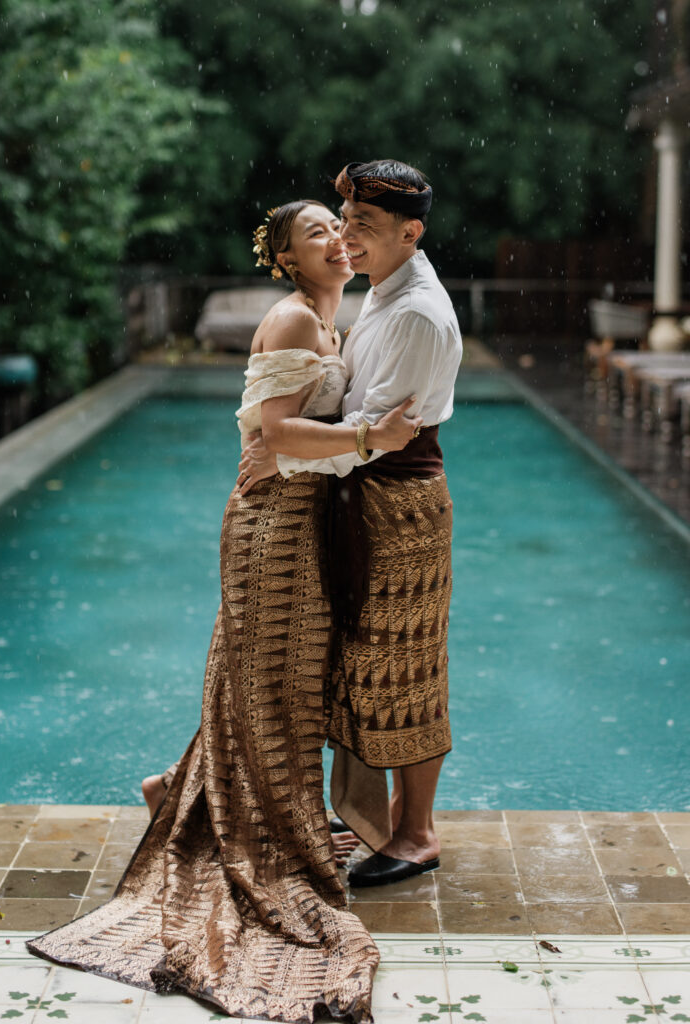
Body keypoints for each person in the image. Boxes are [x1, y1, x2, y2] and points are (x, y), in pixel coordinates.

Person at [27, 199, 421, 1024]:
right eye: (315, 232)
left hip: (299, 520)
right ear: (284, 257)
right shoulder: (289, 321)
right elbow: (277, 437)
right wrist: (369, 440)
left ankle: (179, 788)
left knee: (264, 679)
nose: (334, 240)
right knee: (275, 685)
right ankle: (239, 823)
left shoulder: (328, 317)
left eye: (337, 228)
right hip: (271, 525)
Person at [238, 160, 463, 888]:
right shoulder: (381, 292)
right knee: (365, 667)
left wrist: (284, 458)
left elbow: (374, 430)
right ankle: (381, 817)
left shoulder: (415, 314)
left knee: (410, 668)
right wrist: (289, 447)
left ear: (411, 231)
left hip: (399, 502)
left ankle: (416, 832)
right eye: (344, 223)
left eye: (363, 226)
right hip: (365, 494)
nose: (348, 237)